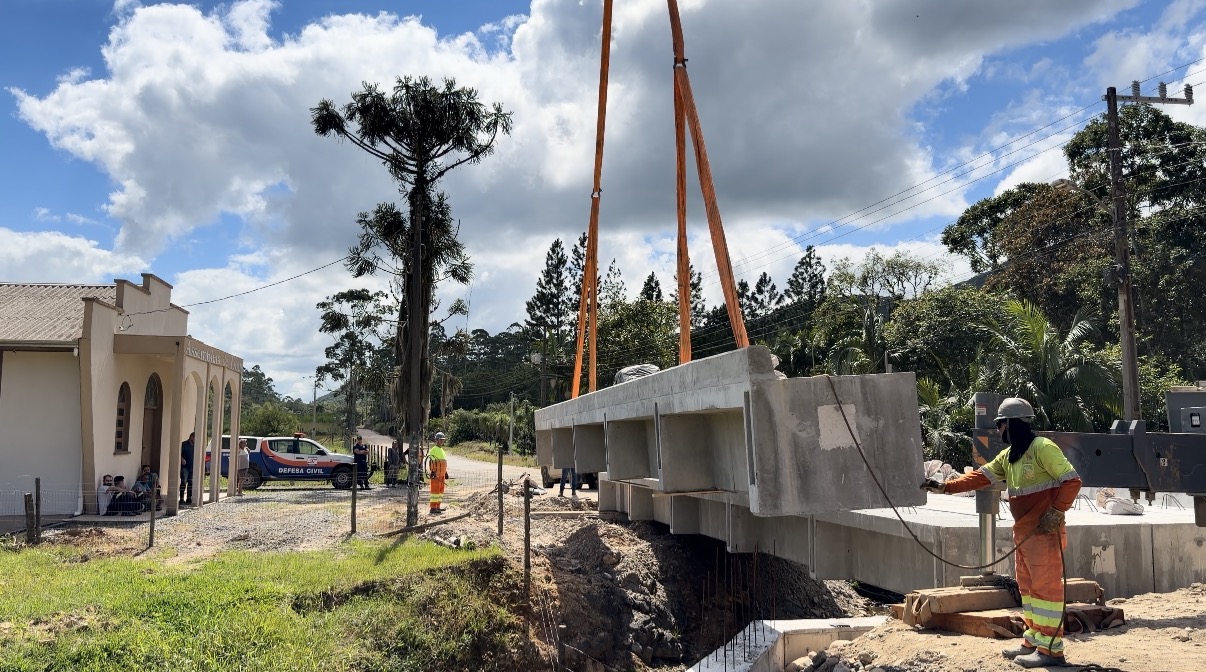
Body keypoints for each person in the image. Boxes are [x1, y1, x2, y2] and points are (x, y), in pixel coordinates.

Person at [922, 397, 1082, 668]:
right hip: (1025, 533)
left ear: (1013, 424)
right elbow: (980, 477)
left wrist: (1056, 512)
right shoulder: (1009, 457)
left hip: (1044, 533)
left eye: (1001, 425)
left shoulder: (1043, 448)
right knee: (1029, 590)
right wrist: (945, 487)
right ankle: (1033, 641)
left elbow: (1072, 481)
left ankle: (1051, 650)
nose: (998, 431)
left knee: (1047, 592)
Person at [428, 432, 448, 514]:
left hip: (442, 474)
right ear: (437, 440)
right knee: (435, 491)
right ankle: (433, 508)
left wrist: (446, 472)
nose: (442, 441)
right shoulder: (434, 450)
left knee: (440, 491)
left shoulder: (442, 450)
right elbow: (431, 461)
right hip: (436, 474)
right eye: (441, 440)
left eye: (443, 440)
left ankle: (438, 507)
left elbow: (444, 463)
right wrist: (432, 471)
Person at [180, 431, 195, 505]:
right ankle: (181, 499)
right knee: (183, 482)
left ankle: (189, 498)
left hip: (192, 467)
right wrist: (181, 459)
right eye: (195, 438)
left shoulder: (195, 446)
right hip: (185, 467)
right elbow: (179, 453)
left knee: (191, 483)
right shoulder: (184, 444)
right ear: (191, 437)